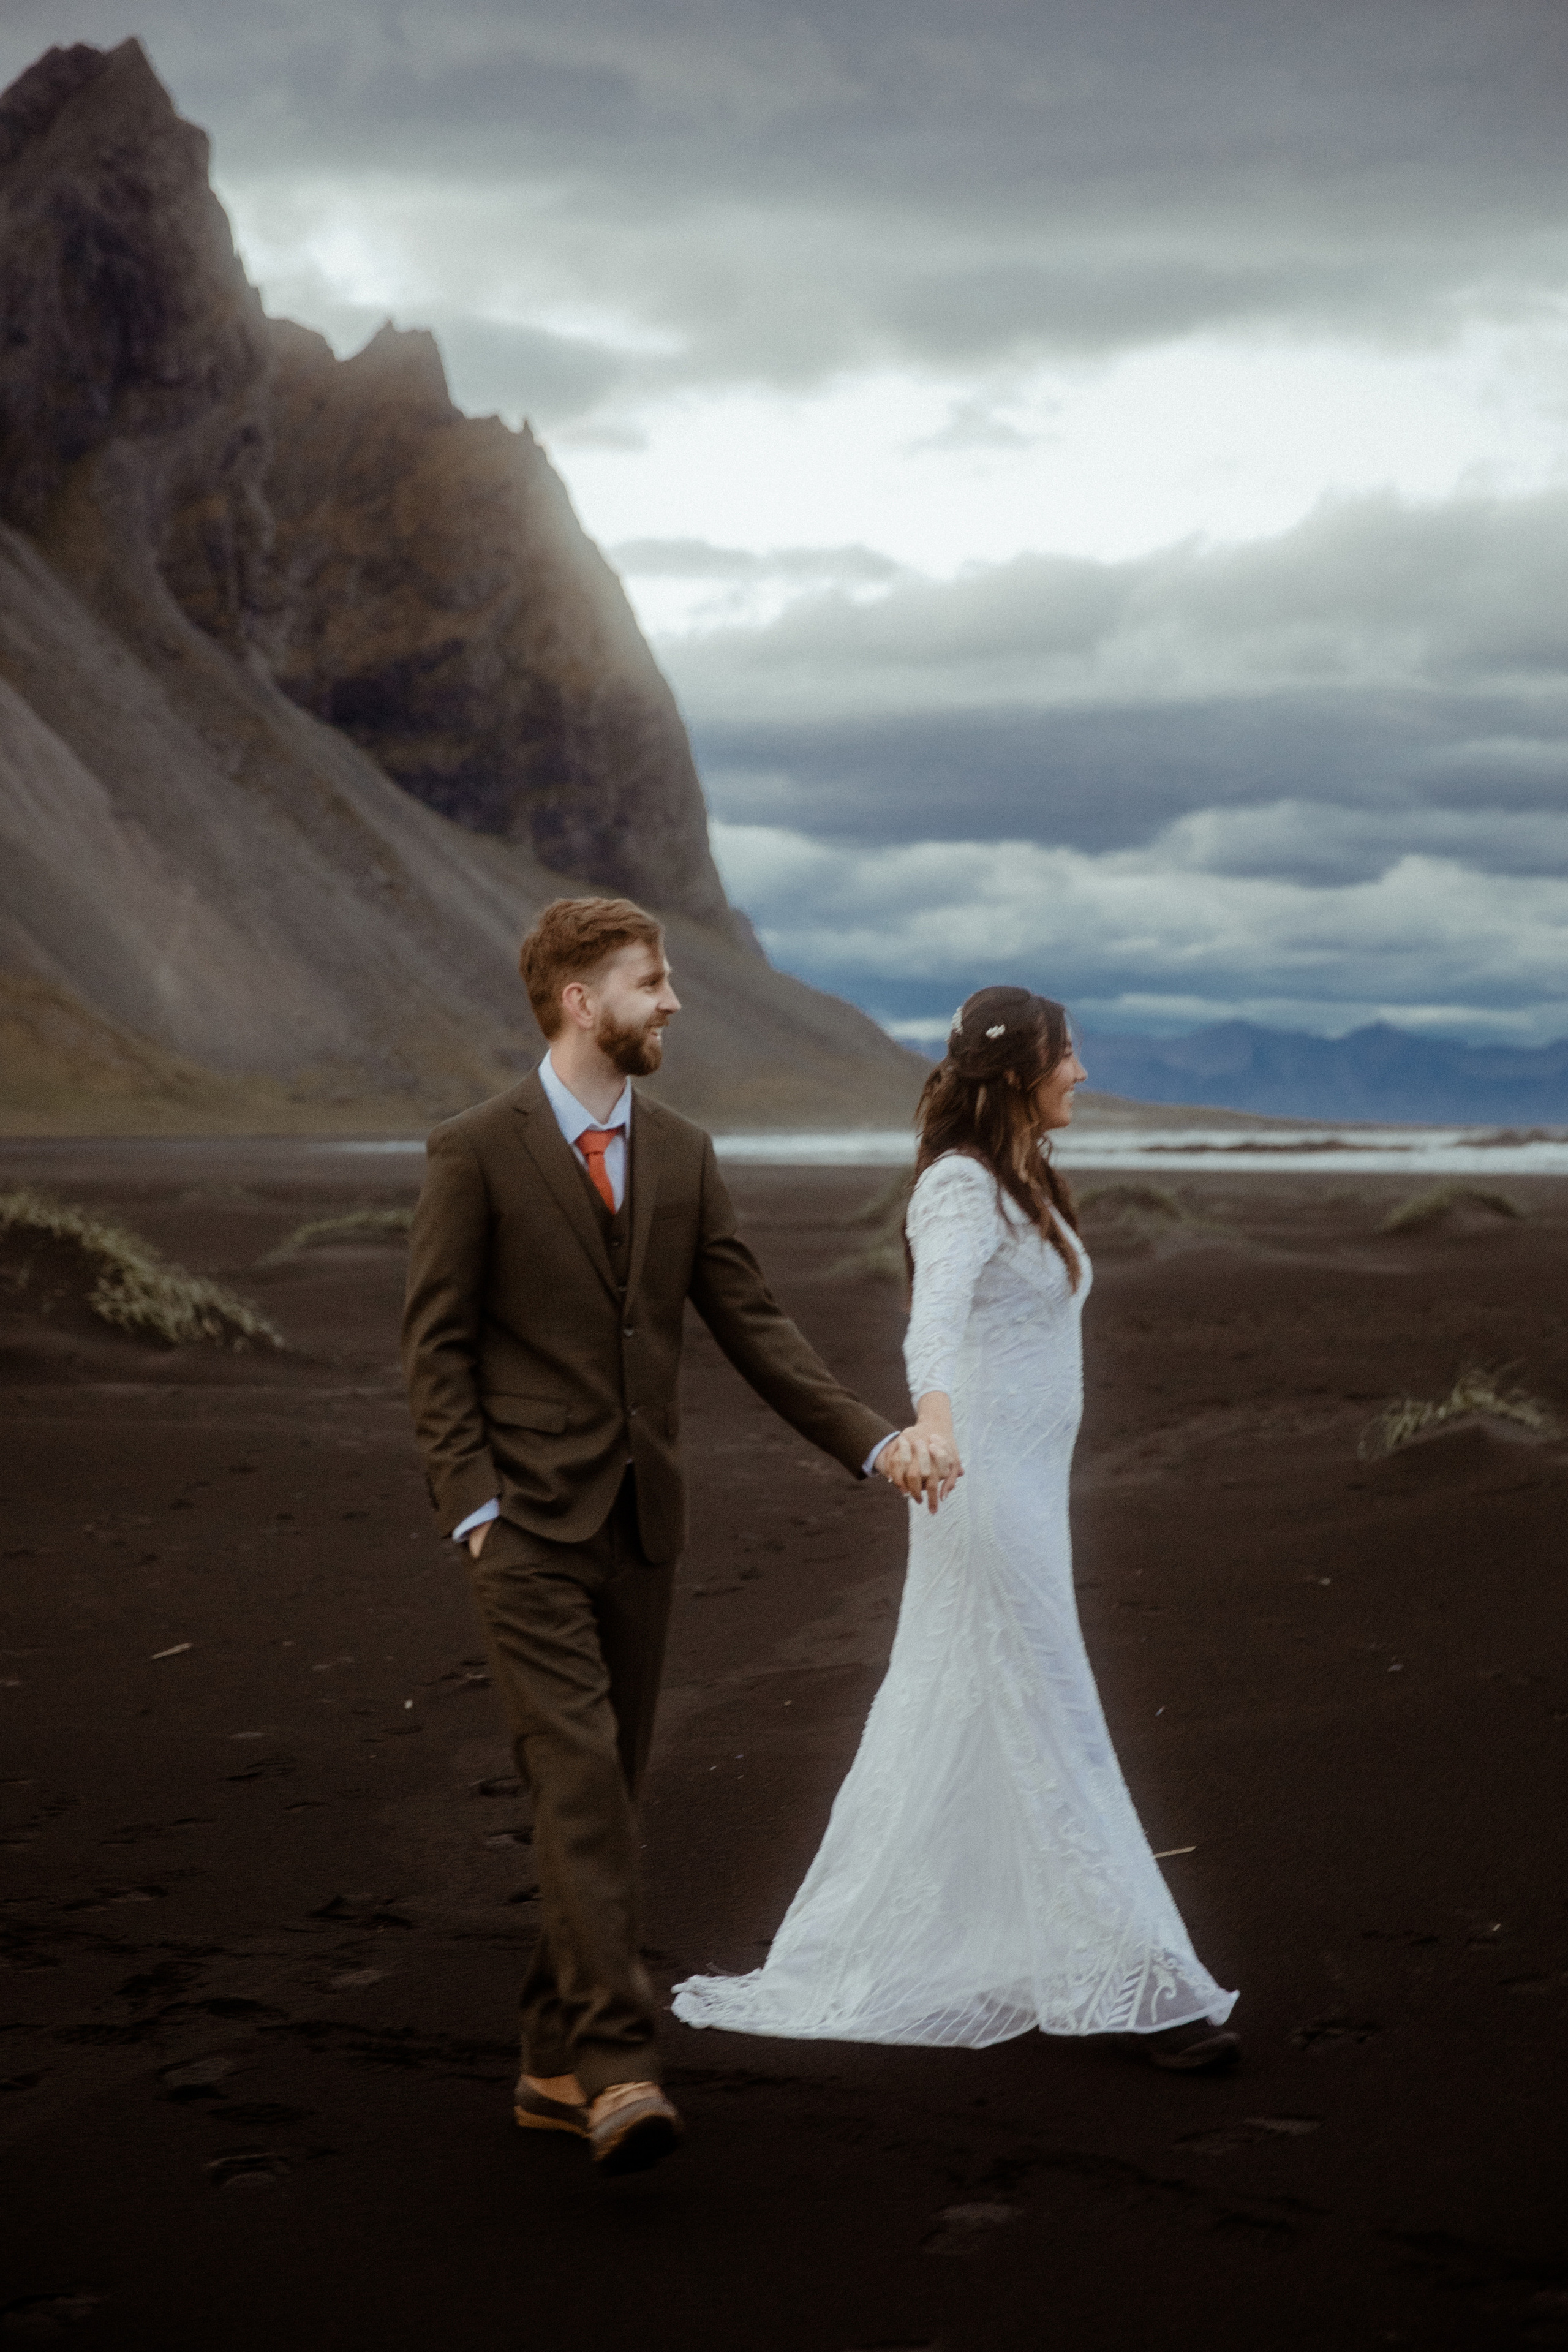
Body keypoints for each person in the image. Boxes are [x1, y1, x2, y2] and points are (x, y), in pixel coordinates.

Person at [400, 895, 924, 2176]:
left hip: (643, 1527)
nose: (674, 1001)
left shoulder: (683, 1153)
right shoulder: (474, 1150)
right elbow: (436, 1346)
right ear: (581, 1000)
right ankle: (619, 2069)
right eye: (651, 981)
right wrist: (472, 1507)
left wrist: (874, 1441)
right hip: (520, 1529)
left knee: (605, 1794)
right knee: (580, 1787)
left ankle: (542, 2061)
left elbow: (755, 1326)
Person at [673, 985, 1239, 2068]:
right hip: (979, 1493)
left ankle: (1020, 1953)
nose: (1081, 1071)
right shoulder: (958, 1188)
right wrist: (930, 1427)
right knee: (1053, 1714)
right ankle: (1139, 1984)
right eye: (1068, 1055)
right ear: (1022, 1068)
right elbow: (931, 1326)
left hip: (1027, 1495)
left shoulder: (1020, 1179)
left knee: (981, 1708)